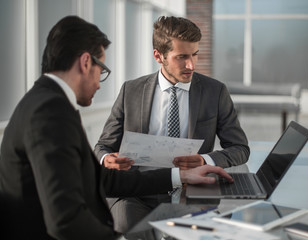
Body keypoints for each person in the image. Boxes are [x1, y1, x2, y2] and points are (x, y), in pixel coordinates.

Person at [0, 15, 234, 240]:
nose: (100, 85)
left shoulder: (44, 102)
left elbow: (101, 180)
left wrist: (179, 175)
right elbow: (65, 219)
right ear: (85, 63)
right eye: (102, 72)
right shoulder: (50, 113)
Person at [94, 16, 250, 233]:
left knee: (197, 229)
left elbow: (240, 148)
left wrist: (204, 159)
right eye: (182, 57)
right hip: (139, 191)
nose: (191, 65)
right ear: (159, 55)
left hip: (193, 188)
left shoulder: (215, 92)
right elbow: (103, 146)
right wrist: (107, 159)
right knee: (129, 226)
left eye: (195, 54)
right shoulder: (131, 91)